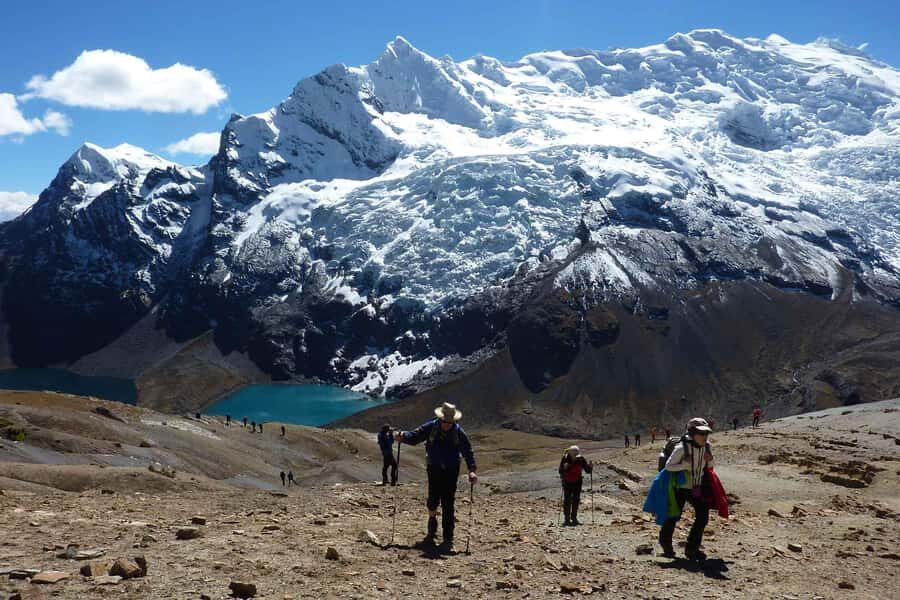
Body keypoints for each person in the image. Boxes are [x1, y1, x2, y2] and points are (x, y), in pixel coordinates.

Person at [399, 402, 477, 549]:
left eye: (450, 422)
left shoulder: (458, 432)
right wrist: (403, 436)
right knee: (433, 498)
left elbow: (468, 451)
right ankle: (432, 526)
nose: (447, 424)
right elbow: (416, 436)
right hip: (434, 468)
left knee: (448, 501)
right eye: (444, 421)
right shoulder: (431, 427)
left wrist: (472, 470)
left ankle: (448, 537)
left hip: (451, 470)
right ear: (440, 419)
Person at [658, 417, 714, 561]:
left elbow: (709, 467)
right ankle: (666, 545)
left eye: (706, 433)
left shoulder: (707, 446)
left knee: (702, 517)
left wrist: (709, 460)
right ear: (692, 433)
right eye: (701, 433)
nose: (704, 436)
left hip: (697, 486)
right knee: (673, 517)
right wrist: (684, 465)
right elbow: (668, 467)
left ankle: (692, 549)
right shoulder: (681, 448)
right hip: (680, 487)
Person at [559, 446, 592, 526]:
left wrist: (590, 467)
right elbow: (560, 471)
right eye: (575, 454)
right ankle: (568, 519)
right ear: (570, 453)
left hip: (575, 482)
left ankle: (572, 518)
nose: (575, 456)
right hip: (569, 482)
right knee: (568, 500)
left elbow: (587, 470)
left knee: (574, 500)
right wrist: (565, 469)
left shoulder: (580, 459)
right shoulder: (566, 458)